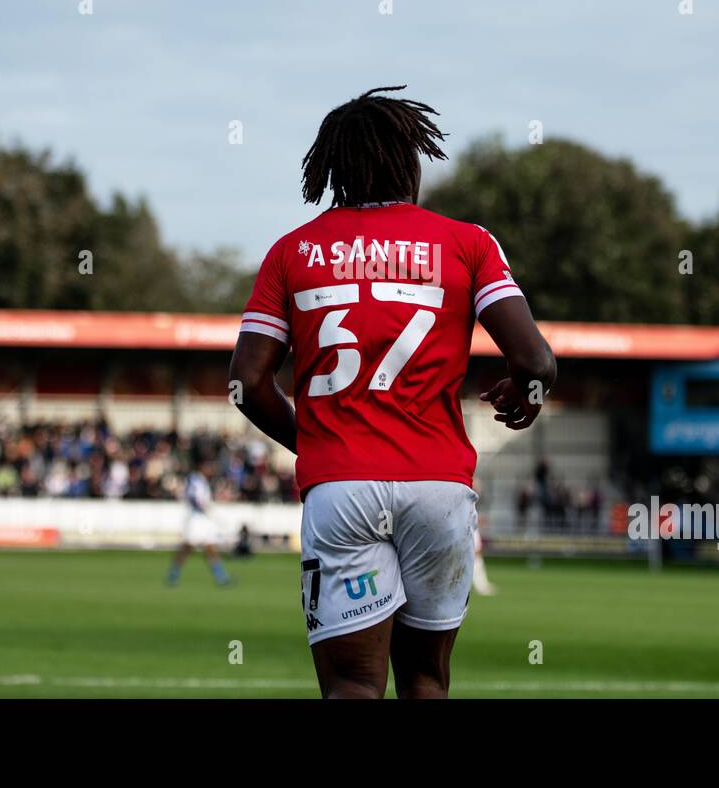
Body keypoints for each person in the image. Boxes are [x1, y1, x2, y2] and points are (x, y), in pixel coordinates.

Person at [228, 86, 556, 698]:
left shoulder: (290, 252)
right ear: (412, 159)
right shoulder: (469, 243)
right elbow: (535, 358)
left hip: (342, 485)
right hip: (439, 485)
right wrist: (527, 392)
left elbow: (246, 384)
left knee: (352, 684)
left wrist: (317, 442)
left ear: (332, 167)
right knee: (426, 678)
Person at [167, 465, 232, 586]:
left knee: (210, 548)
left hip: (202, 519)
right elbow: (195, 498)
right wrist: (206, 508)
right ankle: (173, 574)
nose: (211, 469)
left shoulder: (201, 481)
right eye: (209, 467)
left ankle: (221, 577)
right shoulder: (195, 480)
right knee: (187, 548)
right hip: (196, 519)